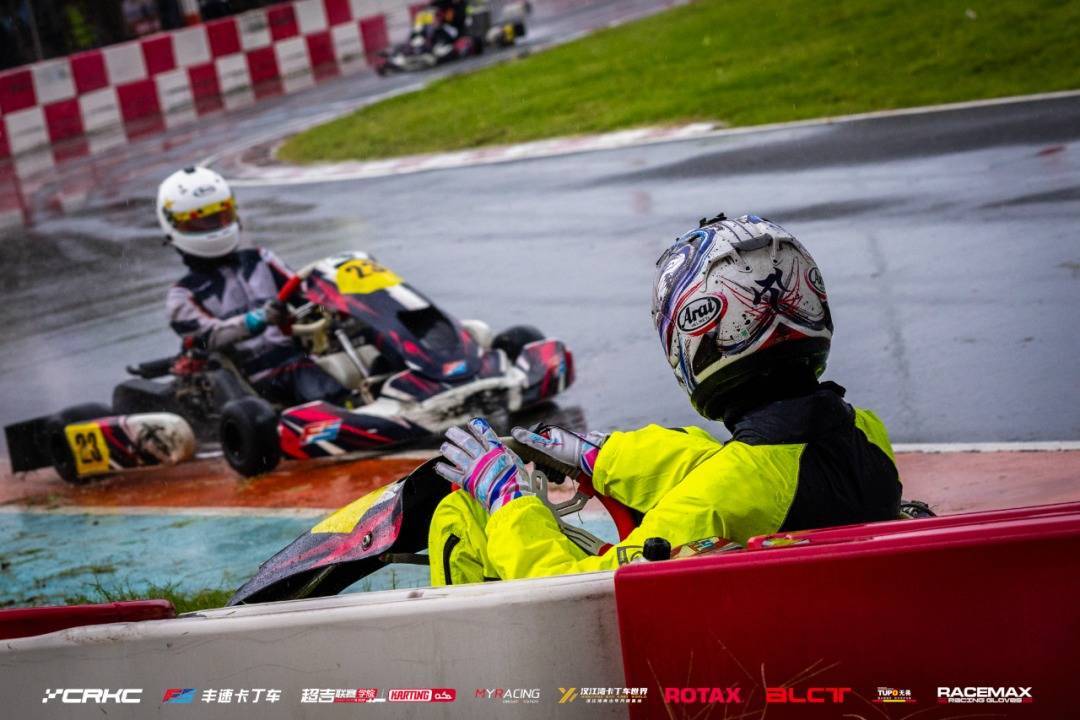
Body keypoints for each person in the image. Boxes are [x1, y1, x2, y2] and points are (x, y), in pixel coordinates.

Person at [429, 213, 902, 585]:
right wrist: (603, 456)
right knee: (696, 453)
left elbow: (566, 588)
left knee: (459, 517)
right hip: (829, 594)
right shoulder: (865, 432)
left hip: (704, 642)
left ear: (694, 339)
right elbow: (731, 467)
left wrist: (508, 502)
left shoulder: (717, 499)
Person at [158, 166, 347, 407]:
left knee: (358, 334)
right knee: (325, 391)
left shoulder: (261, 259)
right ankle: (343, 406)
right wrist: (257, 319)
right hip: (248, 383)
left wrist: (333, 304)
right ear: (174, 226)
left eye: (220, 216)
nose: (213, 226)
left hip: (297, 359)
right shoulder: (182, 295)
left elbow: (304, 299)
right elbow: (208, 339)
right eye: (200, 222)